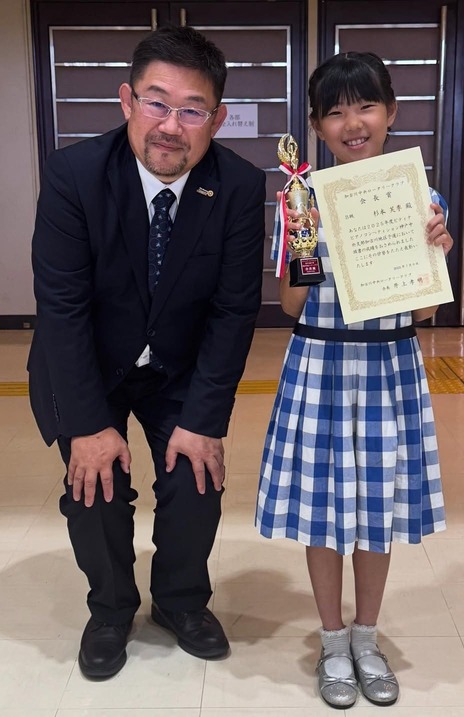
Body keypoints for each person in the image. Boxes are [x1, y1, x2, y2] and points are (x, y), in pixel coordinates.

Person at [28, 25, 266, 679]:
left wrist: (203, 419)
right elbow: (62, 309)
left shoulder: (239, 185)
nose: (170, 125)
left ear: (217, 118)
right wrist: (87, 425)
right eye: (157, 102)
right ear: (127, 100)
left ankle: (181, 601)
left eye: (192, 110)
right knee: (94, 486)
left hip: (178, 366)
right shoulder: (74, 175)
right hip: (90, 362)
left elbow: (233, 310)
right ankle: (109, 609)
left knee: (197, 479)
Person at [256, 51, 452, 709]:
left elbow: (423, 312)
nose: (353, 122)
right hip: (320, 365)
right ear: (317, 125)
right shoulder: (301, 197)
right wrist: (303, 243)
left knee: (377, 510)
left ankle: (367, 639)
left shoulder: (420, 197)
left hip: (390, 365)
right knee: (323, 510)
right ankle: (333, 641)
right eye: (335, 112)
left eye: (366, 106)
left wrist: (435, 250)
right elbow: (291, 305)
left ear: (390, 112)